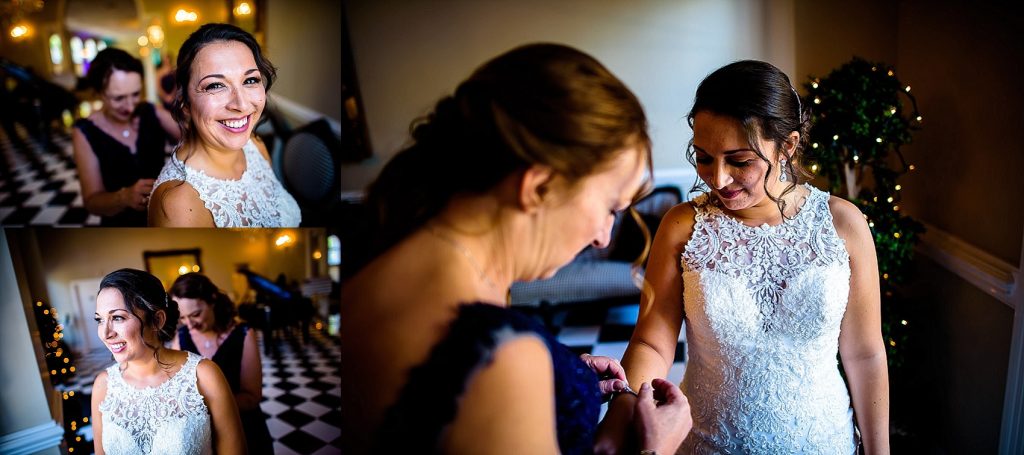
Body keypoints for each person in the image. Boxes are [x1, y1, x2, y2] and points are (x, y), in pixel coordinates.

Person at [341, 43, 692, 454]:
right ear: (539, 187)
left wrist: (560, 382)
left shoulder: (385, 254)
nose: (603, 237)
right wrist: (655, 449)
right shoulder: (498, 358)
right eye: (610, 208)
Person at [599, 60, 890, 453]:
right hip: (708, 443)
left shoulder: (844, 224)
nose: (718, 178)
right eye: (704, 157)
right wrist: (625, 405)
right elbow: (652, 343)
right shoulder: (682, 226)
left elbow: (865, 355)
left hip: (824, 441)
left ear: (787, 146)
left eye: (739, 161)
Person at [149, 23, 300, 227]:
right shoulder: (178, 205)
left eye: (250, 80)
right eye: (215, 85)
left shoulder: (256, 145)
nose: (242, 105)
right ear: (185, 103)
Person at [91, 268, 245, 454]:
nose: (105, 333)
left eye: (117, 318)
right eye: (100, 320)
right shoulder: (103, 385)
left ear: (157, 320)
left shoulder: (203, 375)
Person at [72, 48, 181, 226]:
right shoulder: (85, 131)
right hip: (120, 226)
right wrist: (123, 197)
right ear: (98, 92)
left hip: (162, 218)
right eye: (118, 98)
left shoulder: (150, 111)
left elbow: (193, 139)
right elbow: (91, 202)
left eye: (136, 94)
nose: (130, 107)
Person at [169, 272, 273, 454]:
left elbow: (252, 397)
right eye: (183, 318)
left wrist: (203, 406)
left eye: (196, 314)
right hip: (202, 436)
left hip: (244, 427)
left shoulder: (243, 333)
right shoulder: (182, 337)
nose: (190, 325)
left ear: (212, 300)